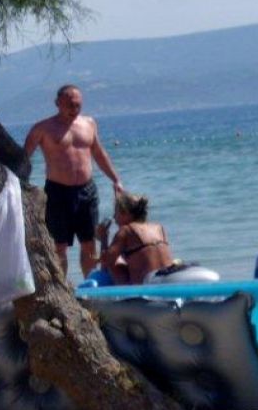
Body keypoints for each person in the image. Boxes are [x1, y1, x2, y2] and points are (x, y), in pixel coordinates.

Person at [24, 85, 125, 279]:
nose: (74, 109)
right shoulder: (42, 128)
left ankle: (90, 289)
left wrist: (115, 179)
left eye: (78, 105)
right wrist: (20, 185)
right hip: (57, 192)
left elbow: (98, 153)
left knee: (88, 243)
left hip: (86, 190)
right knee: (59, 246)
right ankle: (63, 290)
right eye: (70, 105)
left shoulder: (89, 124)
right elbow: (25, 157)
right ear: (57, 103)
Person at [95, 192, 173, 285]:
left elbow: (105, 264)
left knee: (115, 263)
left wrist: (104, 238)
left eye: (116, 213)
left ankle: (125, 292)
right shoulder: (159, 228)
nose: (114, 217)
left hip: (149, 284)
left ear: (126, 214)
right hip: (170, 277)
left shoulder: (126, 230)